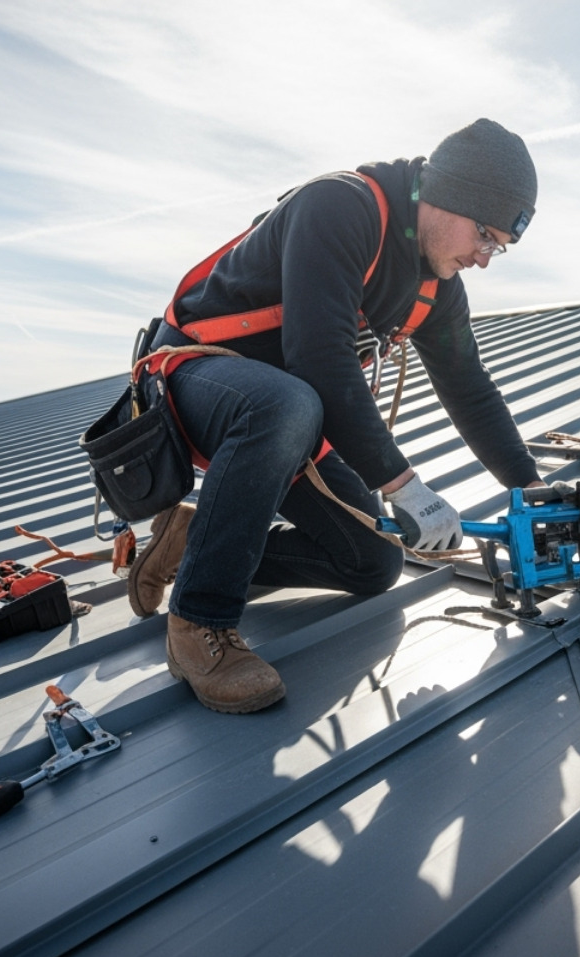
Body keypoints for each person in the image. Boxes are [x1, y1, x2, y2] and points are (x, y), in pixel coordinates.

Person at [129, 118, 545, 714]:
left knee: (374, 559)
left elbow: (469, 389)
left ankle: (198, 538)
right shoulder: (340, 207)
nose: (483, 258)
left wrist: (531, 488)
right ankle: (199, 622)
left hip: (282, 419)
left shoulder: (437, 285)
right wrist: (404, 485)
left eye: (498, 247)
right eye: (484, 235)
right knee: (288, 402)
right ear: (447, 195)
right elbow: (319, 360)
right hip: (190, 374)